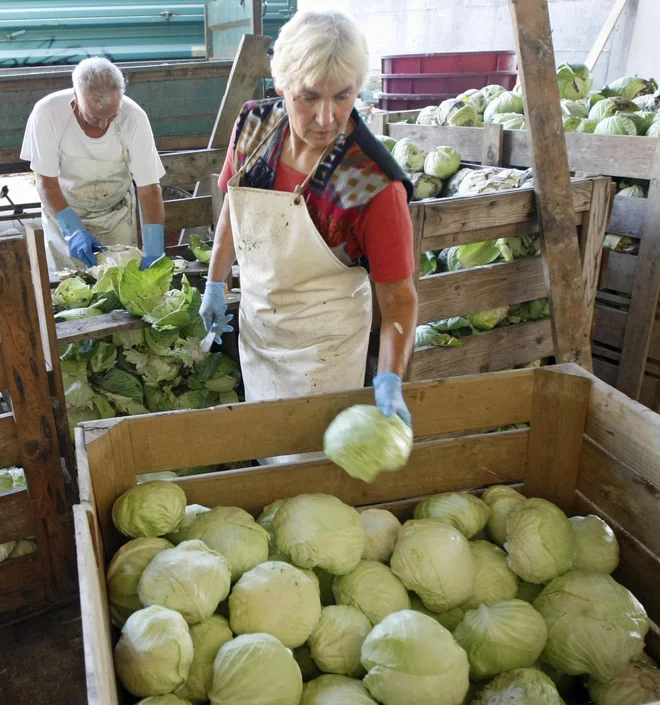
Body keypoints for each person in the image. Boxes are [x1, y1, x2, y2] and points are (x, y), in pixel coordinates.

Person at [200, 11, 418, 427]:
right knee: (263, 444)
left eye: (342, 96)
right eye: (308, 96)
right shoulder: (252, 127)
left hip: (324, 357)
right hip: (259, 332)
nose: (326, 118)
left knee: (308, 470)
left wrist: (390, 375)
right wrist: (214, 281)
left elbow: (399, 301)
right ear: (281, 84)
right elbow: (234, 201)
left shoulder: (373, 185)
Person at [20, 57, 166, 273]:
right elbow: (46, 182)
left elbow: (149, 189)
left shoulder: (134, 118)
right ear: (76, 98)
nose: (104, 125)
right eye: (94, 118)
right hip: (64, 214)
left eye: (112, 117)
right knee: (69, 293)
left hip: (116, 216)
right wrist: (73, 230)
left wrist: (154, 250)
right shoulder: (47, 114)